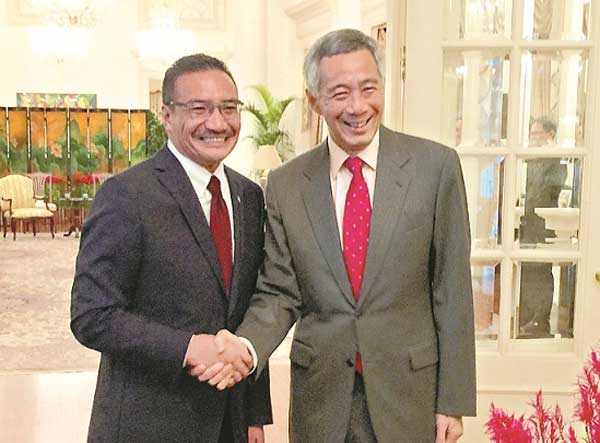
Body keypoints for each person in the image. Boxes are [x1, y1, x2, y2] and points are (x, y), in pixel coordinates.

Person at [203, 29, 477, 442]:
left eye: (369, 88)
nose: (357, 106)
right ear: (314, 100)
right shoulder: (287, 184)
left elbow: (452, 290)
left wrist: (452, 401)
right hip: (321, 398)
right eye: (340, 93)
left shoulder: (435, 168)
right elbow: (279, 291)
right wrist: (245, 347)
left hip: (409, 395)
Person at [70, 53, 272, 443]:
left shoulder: (248, 195)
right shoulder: (126, 195)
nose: (217, 123)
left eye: (229, 108)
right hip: (148, 423)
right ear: (166, 114)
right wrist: (187, 348)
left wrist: (253, 416)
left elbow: (246, 307)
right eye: (199, 109)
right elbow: (91, 315)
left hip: (229, 424)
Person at [518, 117, 567, 337]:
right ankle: (528, 316)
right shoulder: (532, 160)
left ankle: (540, 319)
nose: (533, 138)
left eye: (537, 133)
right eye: (531, 133)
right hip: (529, 222)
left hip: (543, 224)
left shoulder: (556, 161)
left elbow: (548, 191)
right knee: (528, 271)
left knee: (541, 272)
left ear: (550, 134)